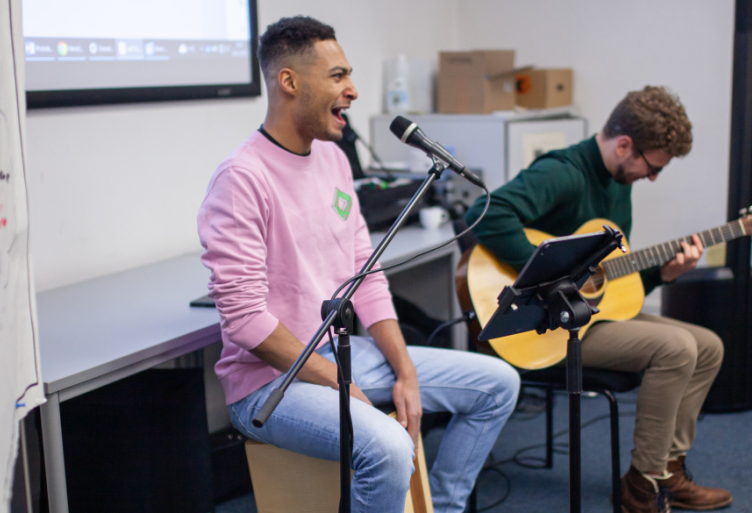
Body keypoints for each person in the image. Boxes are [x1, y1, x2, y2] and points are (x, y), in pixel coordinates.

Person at [197, 16, 519, 513]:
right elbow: (243, 321)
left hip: (338, 358)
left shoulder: (333, 160)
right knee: (388, 446)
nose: (353, 91)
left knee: (499, 384)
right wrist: (339, 383)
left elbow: (366, 278)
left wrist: (404, 368)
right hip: (269, 384)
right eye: (338, 76)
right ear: (289, 82)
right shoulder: (241, 178)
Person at [466, 86, 732, 513]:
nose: (653, 177)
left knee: (709, 346)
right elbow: (485, 214)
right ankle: (640, 490)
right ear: (624, 145)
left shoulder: (618, 181)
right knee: (676, 348)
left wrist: (663, 273)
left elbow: (614, 288)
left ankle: (668, 471)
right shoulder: (563, 173)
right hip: (543, 326)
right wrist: (552, 277)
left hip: (587, 317)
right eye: (652, 167)